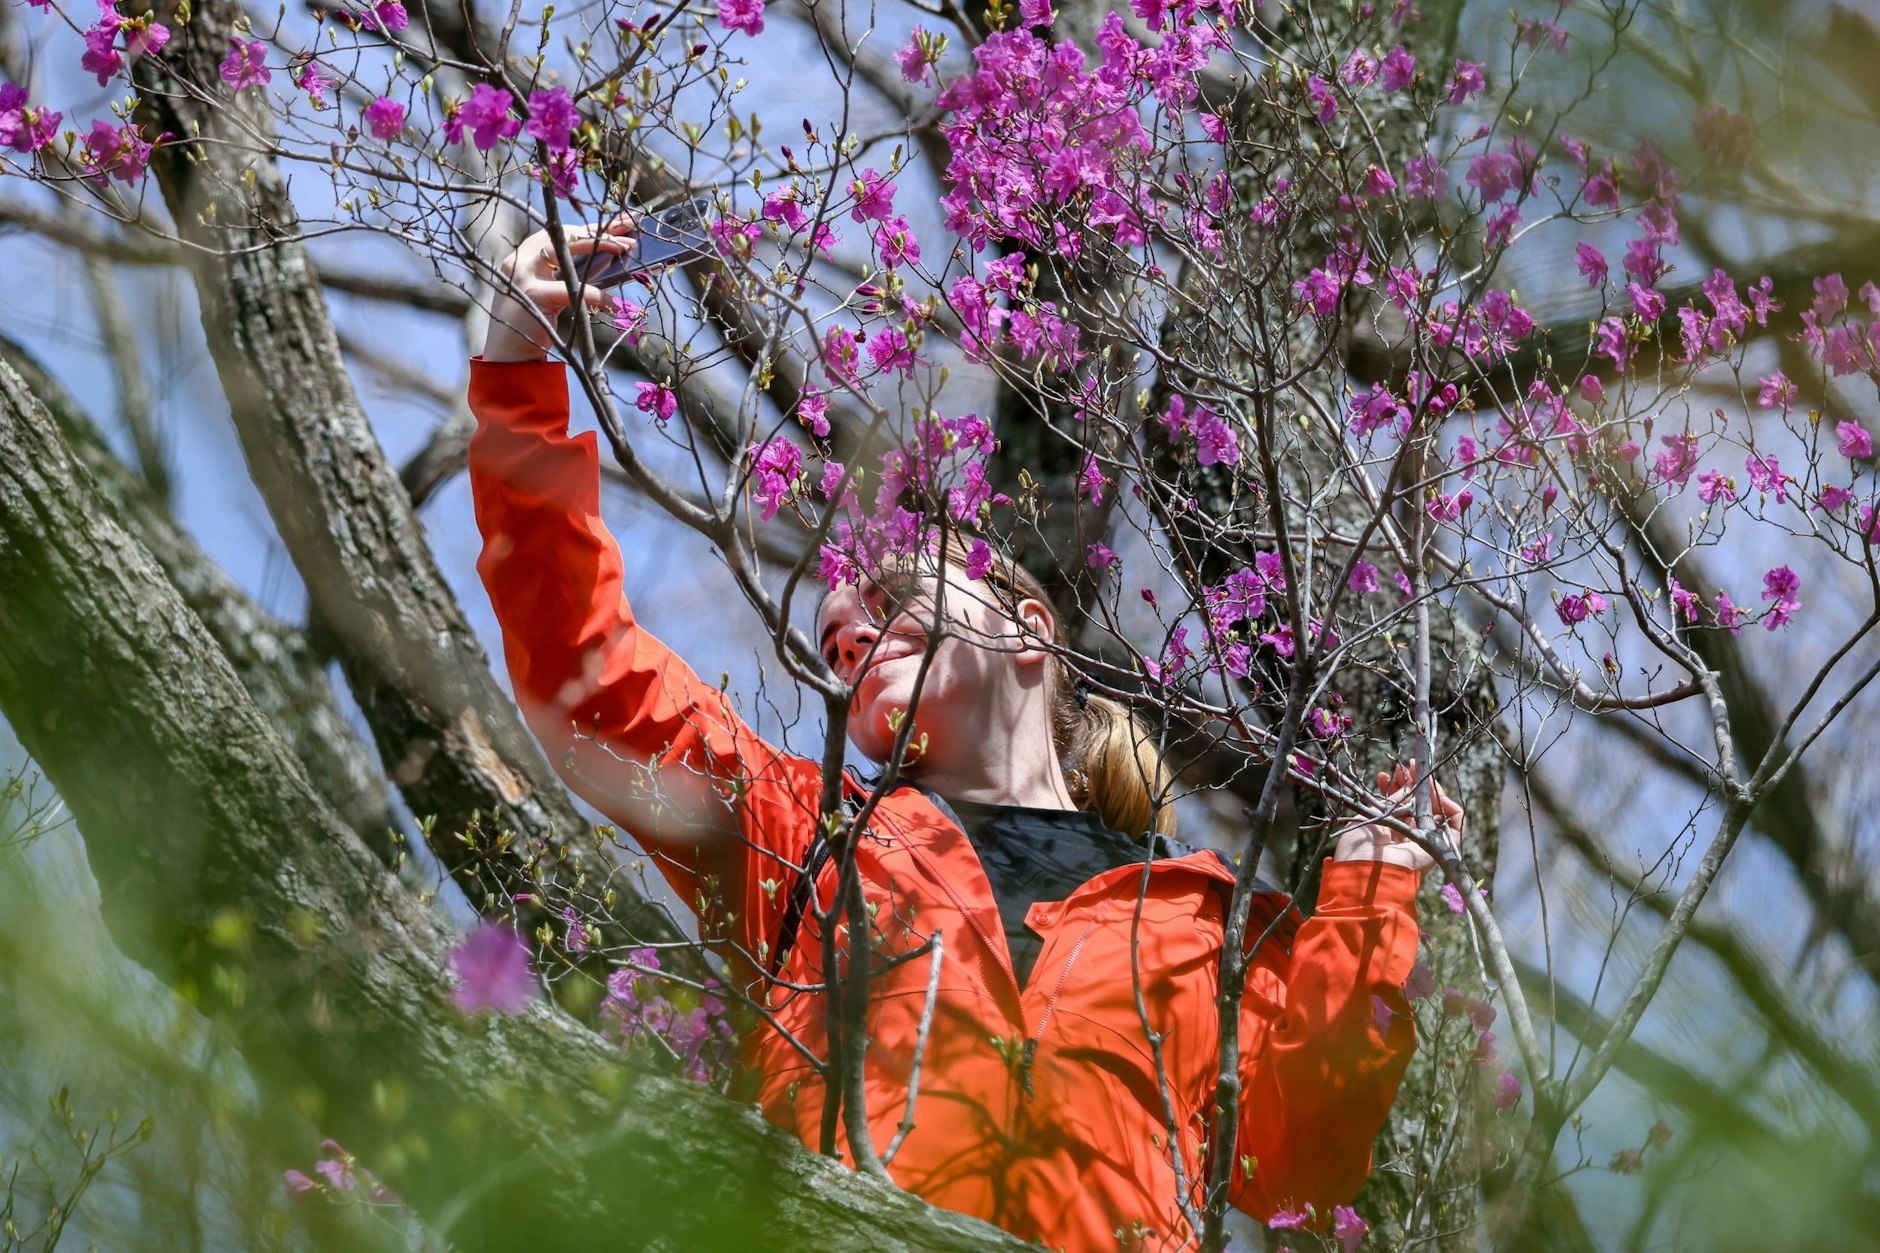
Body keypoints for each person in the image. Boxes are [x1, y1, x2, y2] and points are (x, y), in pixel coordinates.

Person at [466, 221, 1459, 1251]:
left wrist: (1371, 887)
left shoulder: (1205, 924)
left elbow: (1301, 1152)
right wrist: (513, 371)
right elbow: (587, 675)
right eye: (834, 640)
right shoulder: (805, 843)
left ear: (1028, 624)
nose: (849, 632)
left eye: (889, 597)